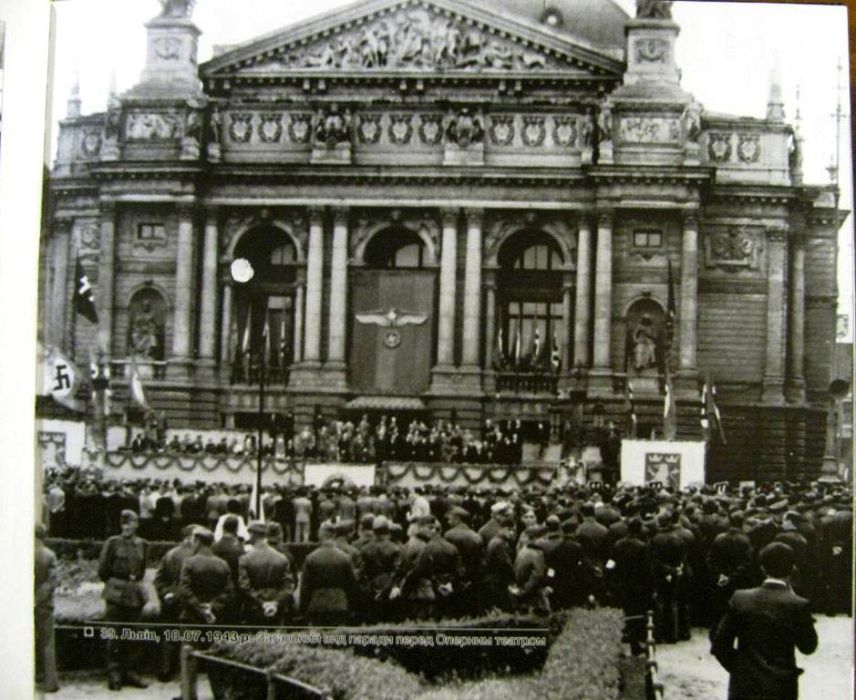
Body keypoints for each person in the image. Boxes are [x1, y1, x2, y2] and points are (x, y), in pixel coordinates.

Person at [711, 542, 818, 700]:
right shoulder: (798, 604)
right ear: (792, 569)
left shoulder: (740, 598)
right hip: (782, 685)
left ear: (762, 568)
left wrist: (740, 669)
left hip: (745, 684)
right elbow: (808, 647)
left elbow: (719, 644)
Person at [98, 510, 149, 690]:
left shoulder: (142, 544)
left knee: (133, 634)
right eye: (124, 523)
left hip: (134, 594)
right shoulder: (112, 543)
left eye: (131, 523)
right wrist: (117, 584)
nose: (127, 526)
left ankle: (131, 672)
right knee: (113, 635)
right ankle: (114, 673)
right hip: (115, 593)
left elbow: (142, 571)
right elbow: (103, 570)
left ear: (137, 525)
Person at [153, 524, 195, 681]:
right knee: (188, 637)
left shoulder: (169, 554)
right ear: (190, 537)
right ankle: (185, 673)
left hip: (171, 600)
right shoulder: (195, 555)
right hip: (188, 601)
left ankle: (165, 671)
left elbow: (158, 580)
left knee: (169, 636)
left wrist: (166, 594)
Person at [238, 521, 295, 626]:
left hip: (253, 607)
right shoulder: (281, 558)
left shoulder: (245, 559)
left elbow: (244, 586)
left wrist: (262, 603)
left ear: (252, 535)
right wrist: (276, 602)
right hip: (277, 607)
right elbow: (288, 585)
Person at [178, 526, 234, 625]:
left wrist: (199, 607)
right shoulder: (223, 564)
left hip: (191, 617)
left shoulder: (189, 563)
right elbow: (228, 591)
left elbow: (184, 590)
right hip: (214, 617)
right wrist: (212, 606)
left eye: (194, 541)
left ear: (198, 541)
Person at [34, 524, 59, 693]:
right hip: (44, 605)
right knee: (47, 644)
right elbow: (51, 583)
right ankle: (50, 683)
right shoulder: (50, 555)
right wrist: (37, 600)